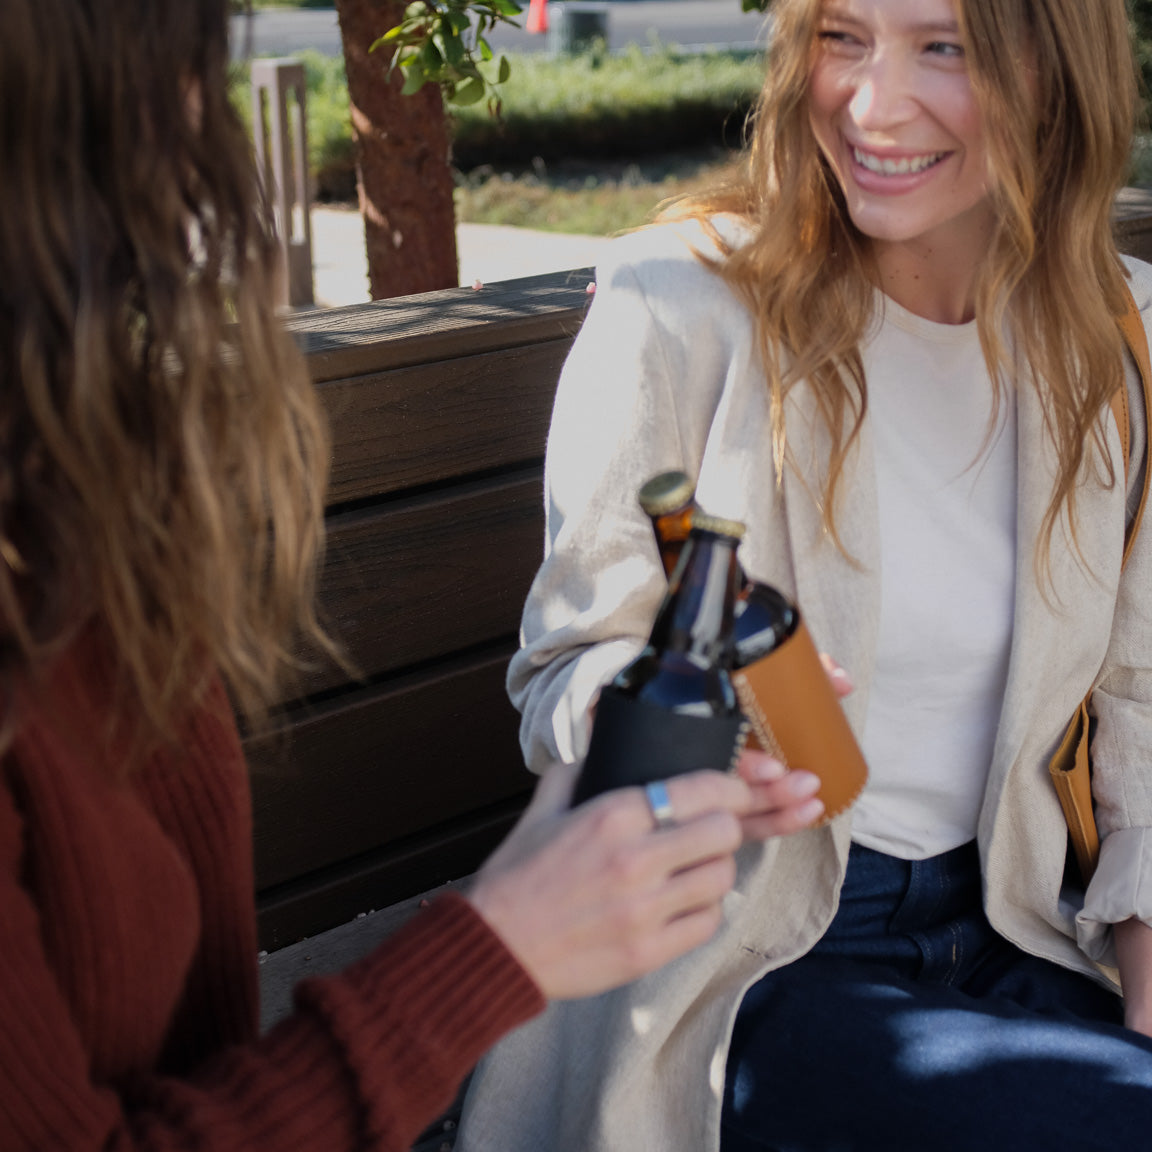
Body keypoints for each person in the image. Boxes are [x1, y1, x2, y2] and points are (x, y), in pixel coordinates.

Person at [0, 1, 825, 1149]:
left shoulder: (69, 503)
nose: (212, 139)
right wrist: (499, 942)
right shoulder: (672, 296)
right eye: (197, 75)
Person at [456, 1, 1152, 1150]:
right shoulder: (677, 304)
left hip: (1022, 925)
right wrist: (687, 726)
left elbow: (1136, 699)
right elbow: (567, 672)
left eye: (947, 47)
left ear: (1056, 65)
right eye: (842, 36)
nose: (873, 105)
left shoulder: (1116, 336)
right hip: (750, 959)